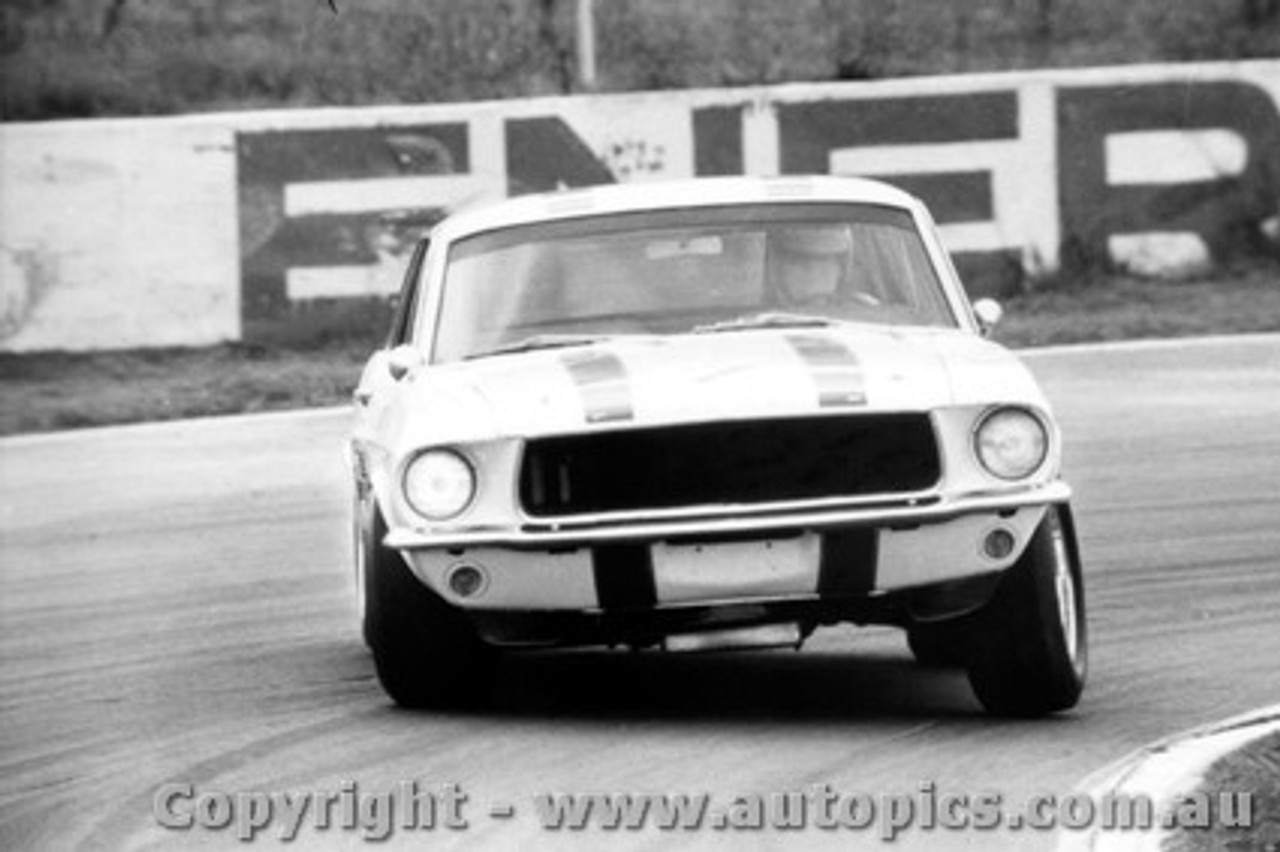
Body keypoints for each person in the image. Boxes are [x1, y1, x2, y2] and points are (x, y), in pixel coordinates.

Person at [768, 226, 853, 308]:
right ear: (777, 271)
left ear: (841, 272)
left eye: (824, 265)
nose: (816, 279)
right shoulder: (763, 318)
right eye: (802, 265)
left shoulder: (858, 313)